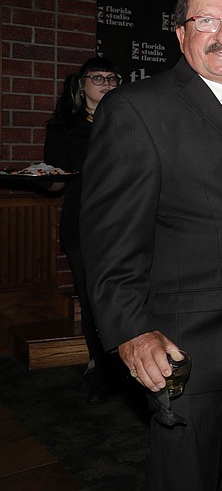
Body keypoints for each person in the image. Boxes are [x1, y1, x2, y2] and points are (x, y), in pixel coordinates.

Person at [80, 0, 222, 490]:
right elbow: (110, 242)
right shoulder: (136, 109)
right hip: (188, 355)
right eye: (207, 20)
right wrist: (131, 332)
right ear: (180, 34)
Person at [44, 57, 122, 404]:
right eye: (98, 78)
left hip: (122, 222)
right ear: (81, 84)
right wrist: (42, 180)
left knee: (120, 296)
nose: (106, 83)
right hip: (81, 223)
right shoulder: (64, 127)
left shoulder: (126, 121)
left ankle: (124, 368)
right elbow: (55, 182)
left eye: (112, 78)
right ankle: (100, 370)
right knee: (91, 300)